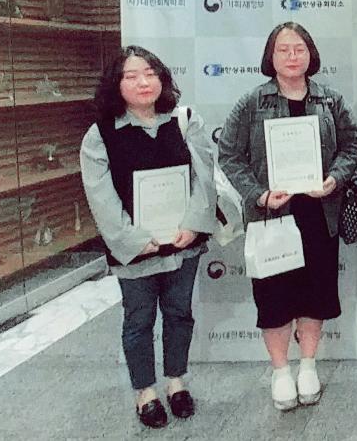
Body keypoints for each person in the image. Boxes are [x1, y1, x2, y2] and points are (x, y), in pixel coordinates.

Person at [217, 22, 357, 411]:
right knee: (274, 298)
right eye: (283, 49)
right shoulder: (252, 102)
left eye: (299, 48)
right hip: (271, 217)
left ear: (311, 54)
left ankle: (308, 365)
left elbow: (353, 144)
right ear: (271, 56)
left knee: (316, 294)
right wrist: (259, 194)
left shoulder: (330, 99)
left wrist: (335, 179)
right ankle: (281, 371)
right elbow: (229, 154)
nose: (292, 56)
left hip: (319, 213)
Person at [80, 45, 216, 428]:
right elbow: (101, 197)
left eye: (150, 73)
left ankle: (176, 382)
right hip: (135, 250)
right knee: (139, 320)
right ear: (116, 84)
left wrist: (194, 224)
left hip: (183, 242)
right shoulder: (100, 135)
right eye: (131, 75)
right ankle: (145, 392)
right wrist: (135, 240)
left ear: (162, 79)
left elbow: (204, 177)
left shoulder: (185, 120)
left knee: (179, 313)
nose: (143, 82)